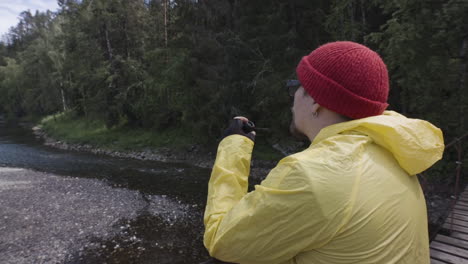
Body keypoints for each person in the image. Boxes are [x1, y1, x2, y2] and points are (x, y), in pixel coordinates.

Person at [203, 41, 444, 264]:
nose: (292, 98)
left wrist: (234, 146)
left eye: (295, 87)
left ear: (316, 100)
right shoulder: (393, 151)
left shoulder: (312, 174)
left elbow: (222, 240)